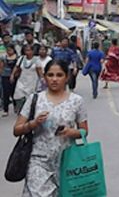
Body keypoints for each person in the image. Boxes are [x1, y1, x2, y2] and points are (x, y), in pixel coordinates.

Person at [13, 59, 88, 197]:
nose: (54, 79)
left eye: (59, 75)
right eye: (50, 75)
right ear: (44, 77)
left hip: (67, 163)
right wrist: (33, 124)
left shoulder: (77, 101)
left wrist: (71, 132)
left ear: (67, 77)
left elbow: (84, 131)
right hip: (38, 162)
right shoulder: (35, 99)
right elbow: (17, 130)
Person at [12, 44, 39, 112]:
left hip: (32, 82)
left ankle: (30, 111)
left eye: (29, 50)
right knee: (18, 95)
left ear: (33, 51)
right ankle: (20, 110)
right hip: (22, 80)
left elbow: (40, 71)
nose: (27, 52)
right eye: (26, 50)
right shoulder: (21, 58)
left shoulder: (37, 59)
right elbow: (16, 67)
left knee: (30, 98)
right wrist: (12, 75)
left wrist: (42, 80)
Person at [1, 44, 19, 116]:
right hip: (5, 76)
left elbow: (18, 67)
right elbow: (1, 66)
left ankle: (16, 107)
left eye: (10, 50)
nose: (9, 51)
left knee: (14, 92)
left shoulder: (17, 57)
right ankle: (6, 110)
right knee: (5, 93)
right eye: (7, 50)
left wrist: (15, 75)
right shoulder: (4, 57)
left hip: (14, 76)